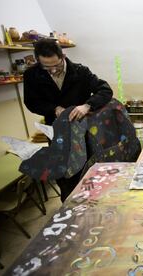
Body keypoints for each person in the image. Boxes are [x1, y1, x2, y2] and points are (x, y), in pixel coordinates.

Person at [23, 39, 113, 201]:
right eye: (46, 66)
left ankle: (93, 202)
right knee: (64, 174)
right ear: (38, 61)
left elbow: (105, 90)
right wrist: (53, 108)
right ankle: (69, 207)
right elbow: (31, 102)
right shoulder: (32, 75)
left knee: (88, 169)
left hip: (83, 131)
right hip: (57, 133)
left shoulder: (80, 72)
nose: (52, 70)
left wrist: (87, 106)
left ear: (62, 56)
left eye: (56, 65)